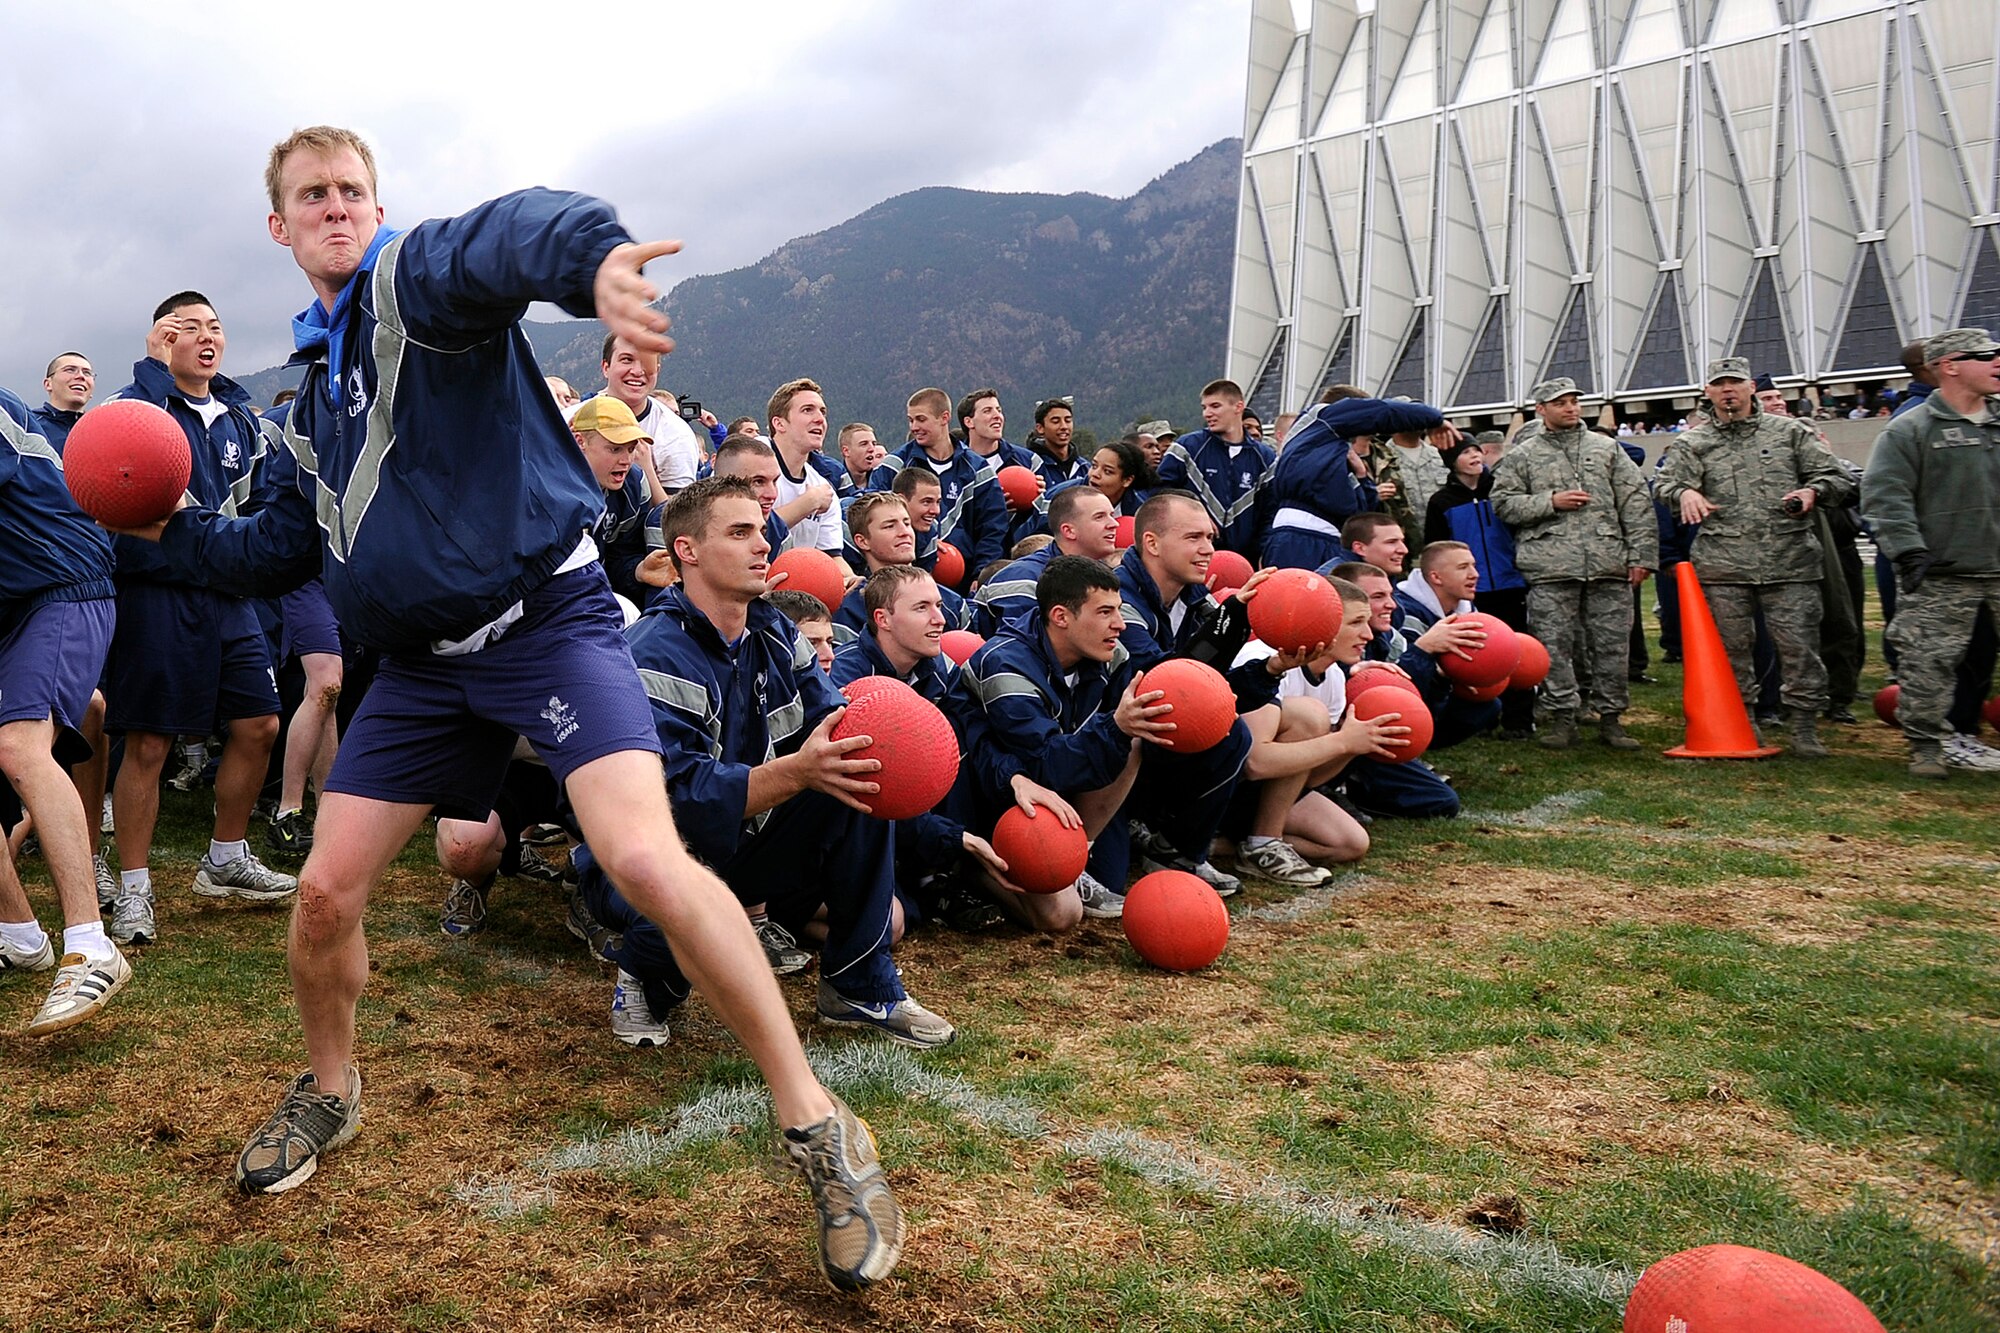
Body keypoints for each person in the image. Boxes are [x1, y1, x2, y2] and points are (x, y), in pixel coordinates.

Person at [125, 126, 904, 1289]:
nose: (336, 208)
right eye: (310, 196)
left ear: (376, 209)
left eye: (352, 190)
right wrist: (165, 528)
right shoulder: (307, 397)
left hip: (546, 619)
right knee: (329, 892)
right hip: (424, 665)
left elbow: (504, 236)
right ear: (278, 227)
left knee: (644, 855)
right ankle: (331, 1087)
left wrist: (591, 263)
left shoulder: (412, 286)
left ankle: (819, 1124)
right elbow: (279, 547)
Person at [597, 476, 955, 1041]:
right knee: (680, 874)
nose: (763, 544)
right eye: (740, 532)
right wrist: (798, 771)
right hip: (655, 857)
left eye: (761, 531)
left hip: (747, 836)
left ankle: (859, 985)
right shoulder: (653, 649)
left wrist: (883, 746)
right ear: (686, 552)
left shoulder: (776, 632)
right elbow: (678, 801)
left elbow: (831, 720)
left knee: (858, 770)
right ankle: (643, 976)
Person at [106, 292, 298, 943]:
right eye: (189, 328)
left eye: (215, 326)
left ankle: (225, 857)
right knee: (151, 742)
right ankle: (133, 888)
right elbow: (114, 464)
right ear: (162, 338)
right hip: (159, 591)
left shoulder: (244, 418)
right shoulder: (135, 406)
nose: (207, 336)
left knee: (260, 723)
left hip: (229, 592)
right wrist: (151, 370)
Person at [829, 565, 1083, 933]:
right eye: (922, 608)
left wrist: (1014, 779)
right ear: (883, 619)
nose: (940, 618)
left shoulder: (940, 669)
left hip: (944, 829)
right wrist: (951, 839)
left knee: (1062, 913)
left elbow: (975, 736)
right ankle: (929, 880)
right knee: (891, 924)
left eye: (938, 605)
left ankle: (957, 874)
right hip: (878, 835)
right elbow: (866, 794)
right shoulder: (849, 682)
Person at [0, 387, 133, 1035]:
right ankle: (21, 932)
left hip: (59, 588)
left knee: (20, 747)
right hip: (17, 605)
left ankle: (91, 943)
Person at [1654, 359, 1856, 757]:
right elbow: (1664, 482)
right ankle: (1741, 721)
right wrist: (1684, 494)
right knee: (1732, 650)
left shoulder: (1790, 433)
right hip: (1723, 563)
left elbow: (1836, 477)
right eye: (1719, 384)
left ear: (1750, 387)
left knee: (1799, 647)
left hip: (1790, 560)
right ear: (1707, 392)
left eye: (1735, 383)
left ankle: (1803, 725)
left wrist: (1811, 493)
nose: (1728, 390)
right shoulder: (1693, 442)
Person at [1862, 328, 2000, 779]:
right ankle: (1928, 745)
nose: (1997, 362)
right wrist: (1907, 552)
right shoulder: (1911, 429)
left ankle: (1968, 734)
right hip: (1943, 571)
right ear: (1949, 365)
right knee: (1927, 662)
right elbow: (1886, 496)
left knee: (1977, 661)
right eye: (1985, 356)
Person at [1490, 378, 1657, 750]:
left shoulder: (1607, 448)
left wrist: (1642, 556)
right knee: (1553, 645)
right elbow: (1503, 504)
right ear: (1541, 410)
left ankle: (1611, 718)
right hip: (1550, 566)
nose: (1570, 408)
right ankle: (1563, 715)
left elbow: (1636, 503)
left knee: (1613, 646)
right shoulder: (1522, 456)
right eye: (1560, 403)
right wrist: (1551, 501)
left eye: (1574, 401)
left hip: (1608, 564)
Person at [1264, 394, 1443, 571]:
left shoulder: (1332, 449)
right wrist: (1436, 420)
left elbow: (1359, 513)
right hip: (1303, 539)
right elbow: (1385, 412)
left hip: (1325, 537)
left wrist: (1363, 477)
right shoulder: (1326, 418)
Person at [870, 387, 1006, 590]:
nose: (914, 427)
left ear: (944, 418)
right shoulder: (894, 465)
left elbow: (993, 527)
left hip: (965, 580)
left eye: (921, 419)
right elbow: (871, 514)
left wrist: (982, 573)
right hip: (907, 578)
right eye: (911, 420)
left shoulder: (978, 470)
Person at [972, 483, 1121, 634]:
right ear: (1069, 531)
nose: (1114, 524)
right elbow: (1018, 649)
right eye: (1099, 517)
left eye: (1112, 515)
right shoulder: (1024, 579)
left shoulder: (1107, 577)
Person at [1154, 379, 1276, 560]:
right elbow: (1159, 492)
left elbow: (1270, 512)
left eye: (1215, 406)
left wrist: (1262, 555)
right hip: (1191, 556)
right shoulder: (1187, 447)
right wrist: (1193, 512)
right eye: (1204, 407)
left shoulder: (1266, 458)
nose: (1207, 413)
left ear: (1238, 407)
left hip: (1243, 561)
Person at [833, 492, 972, 646]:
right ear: (863, 541)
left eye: (907, 523)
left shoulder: (952, 603)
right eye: (890, 526)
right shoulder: (851, 607)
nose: (904, 532)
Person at [595, 334, 696, 497]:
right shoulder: (570, 421)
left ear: (657, 370)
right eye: (627, 360)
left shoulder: (676, 435)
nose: (637, 371)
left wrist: (646, 471)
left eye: (646, 362)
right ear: (606, 367)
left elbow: (678, 518)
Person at [765, 378, 844, 554]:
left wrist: (853, 580)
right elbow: (745, 534)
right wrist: (807, 504)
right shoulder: (749, 461)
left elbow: (831, 557)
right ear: (779, 423)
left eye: (823, 412)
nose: (819, 419)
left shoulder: (823, 488)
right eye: (808, 410)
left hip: (796, 579)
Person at [32, 351, 94, 452]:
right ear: (48, 384)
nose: (81, 376)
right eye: (70, 370)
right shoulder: (30, 425)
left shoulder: (101, 430)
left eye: (87, 373)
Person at [1318, 511, 1410, 578]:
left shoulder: (1382, 575)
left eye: (1402, 541)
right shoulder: (1331, 584)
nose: (1404, 550)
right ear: (1360, 548)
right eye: (1391, 542)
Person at [1028, 397, 1088, 486]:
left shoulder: (1084, 467)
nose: (1064, 426)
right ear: (1040, 428)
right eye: (1056, 421)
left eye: (1068, 421)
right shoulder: (1031, 465)